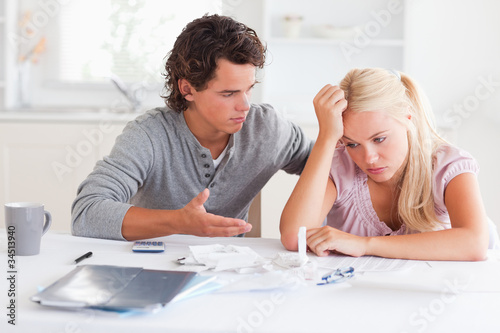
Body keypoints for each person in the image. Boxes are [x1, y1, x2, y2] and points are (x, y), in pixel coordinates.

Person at [72, 14, 313, 241]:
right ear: (187, 89)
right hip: (155, 269)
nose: (245, 105)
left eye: (249, 88)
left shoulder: (266, 127)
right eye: (228, 93)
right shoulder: (149, 136)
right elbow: (86, 213)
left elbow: (330, 165)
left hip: (231, 272)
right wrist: (178, 222)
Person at [280, 67, 498, 261]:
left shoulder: (448, 165)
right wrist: (327, 137)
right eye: (352, 144)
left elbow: (475, 242)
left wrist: (364, 245)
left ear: (408, 118)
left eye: (379, 139)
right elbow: (294, 237)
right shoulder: (340, 165)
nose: (369, 158)